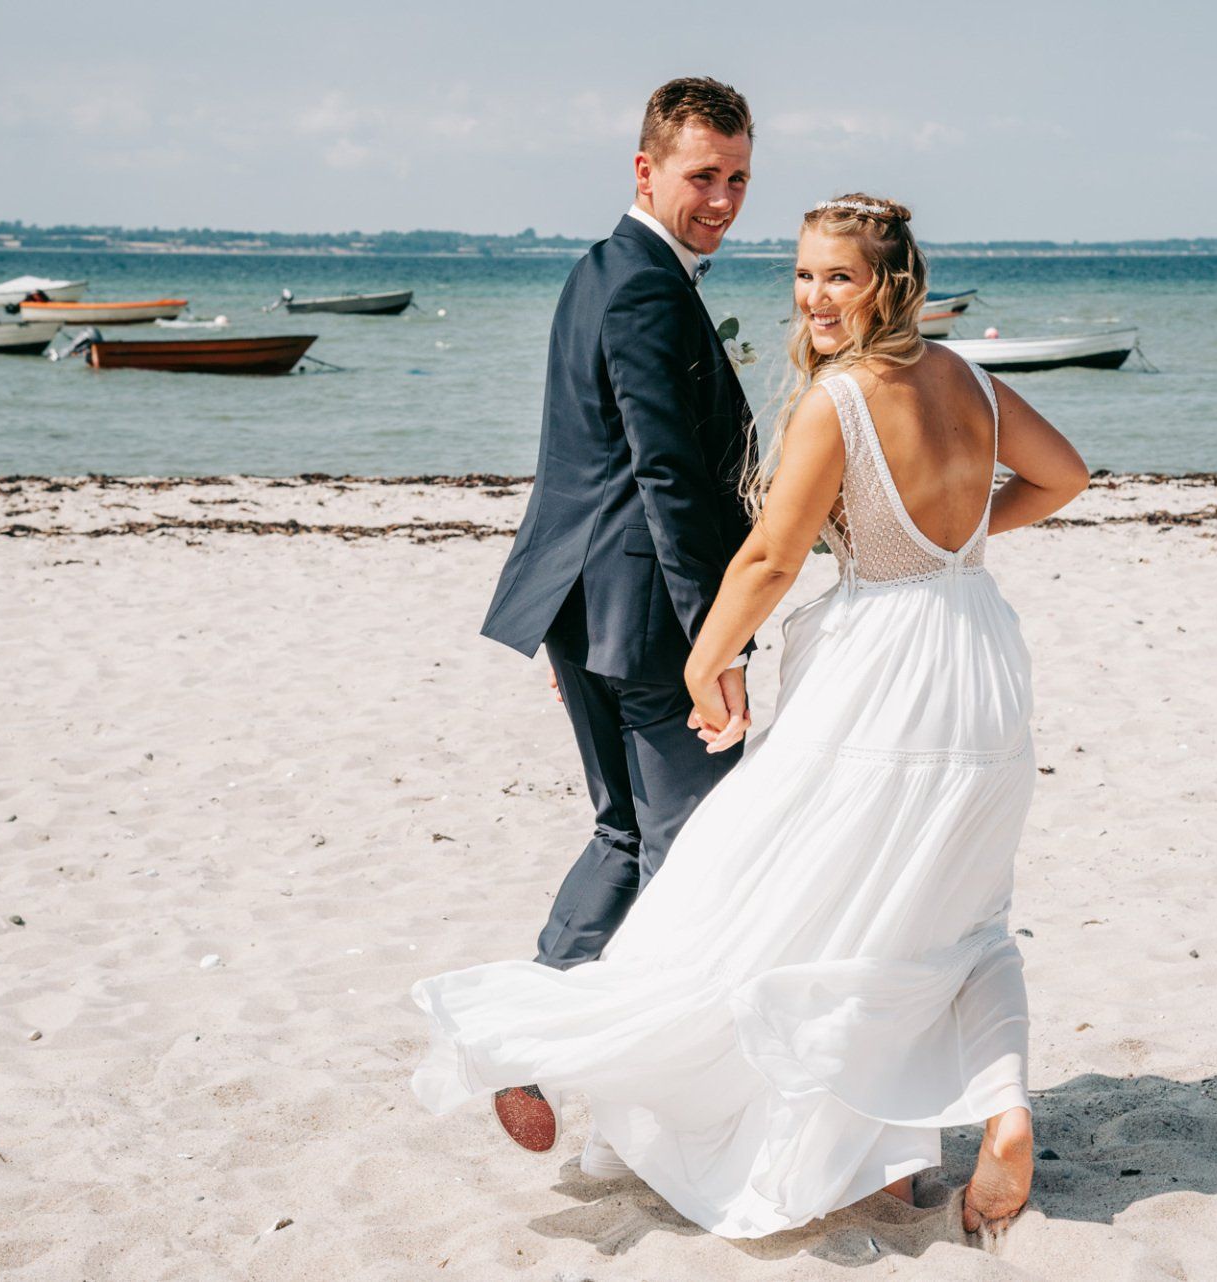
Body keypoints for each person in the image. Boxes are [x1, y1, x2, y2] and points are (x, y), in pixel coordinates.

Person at [413, 192, 1089, 1239]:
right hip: (979, 648)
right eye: (804, 277)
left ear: (888, 283)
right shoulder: (970, 381)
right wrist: (959, 544)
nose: (816, 298)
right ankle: (997, 1110)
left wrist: (706, 660)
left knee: (766, 878)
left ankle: (835, 1136)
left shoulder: (845, 401)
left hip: (883, 667)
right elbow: (1066, 476)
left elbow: (770, 558)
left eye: (839, 277)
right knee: (948, 907)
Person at [471, 77, 757, 1153]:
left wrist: (569, 617)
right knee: (704, 844)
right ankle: (698, 1102)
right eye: (702, 176)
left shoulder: (602, 271)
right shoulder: (646, 287)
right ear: (645, 170)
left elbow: (572, 456)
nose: (721, 199)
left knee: (626, 831)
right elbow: (666, 472)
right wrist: (712, 642)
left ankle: (519, 1037)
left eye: (736, 179)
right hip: (643, 610)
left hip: (588, 597)